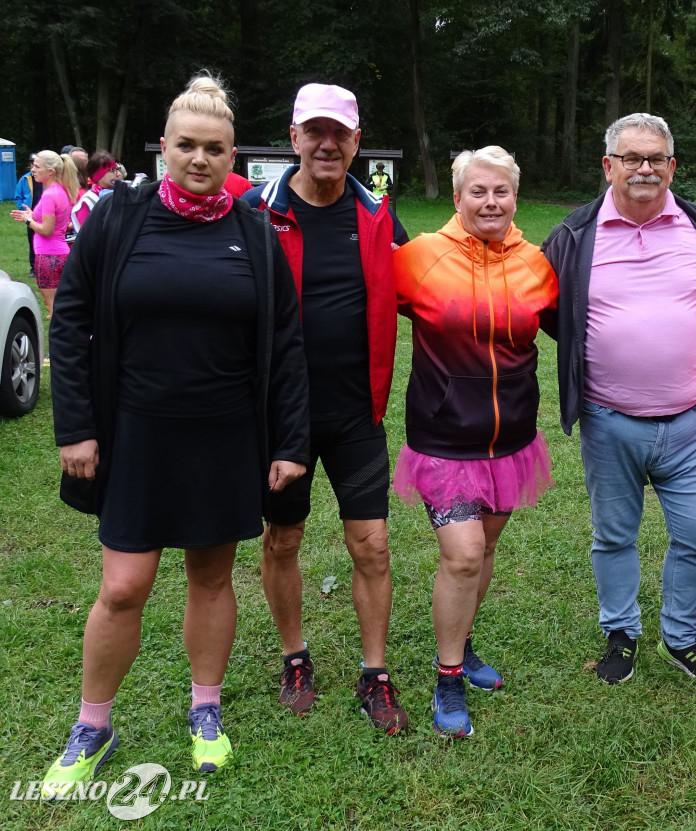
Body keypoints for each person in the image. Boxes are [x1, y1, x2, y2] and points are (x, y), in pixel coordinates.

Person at [43, 74, 309, 790]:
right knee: (124, 586)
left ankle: (206, 709)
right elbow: (69, 324)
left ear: (233, 157)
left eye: (214, 148)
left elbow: (284, 343)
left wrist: (288, 441)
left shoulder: (255, 230)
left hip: (225, 435)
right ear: (163, 147)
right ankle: (94, 723)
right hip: (135, 433)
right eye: (186, 145)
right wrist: (76, 427)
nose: (199, 159)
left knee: (212, 576)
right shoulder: (118, 217)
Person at [243, 83, 411, 732]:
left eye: (339, 132)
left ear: (356, 142)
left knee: (371, 545)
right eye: (314, 131)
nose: (327, 143)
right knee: (281, 537)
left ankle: (375, 671)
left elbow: (424, 287)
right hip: (279, 417)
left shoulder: (377, 214)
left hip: (354, 414)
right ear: (293, 138)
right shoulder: (254, 213)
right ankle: (294, 655)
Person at [543, 113, 696, 686]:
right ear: (609, 166)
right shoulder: (572, 236)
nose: (644, 168)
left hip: (690, 420)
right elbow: (553, 315)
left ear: (672, 167)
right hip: (609, 419)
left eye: (655, 159)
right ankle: (620, 632)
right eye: (632, 158)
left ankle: (681, 636)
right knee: (615, 535)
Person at [392, 146, 557, 737]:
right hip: (442, 437)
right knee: (461, 555)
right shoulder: (417, 259)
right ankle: (448, 676)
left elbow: (578, 327)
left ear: (515, 196)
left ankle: (462, 643)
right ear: (457, 197)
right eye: (478, 192)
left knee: (483, 552)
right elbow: (365, 316)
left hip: (511, 438)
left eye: (502, 192)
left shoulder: (537, 262)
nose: (491, 202)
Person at [9, 150, 78, 319]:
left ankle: (61, 341)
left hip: (48, 256)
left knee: (53, 307)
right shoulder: (60, 190)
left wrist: (28, 220)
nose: (33, 169)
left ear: (51, 171)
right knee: (63, 304)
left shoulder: (49, 195)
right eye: (33, 165)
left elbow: (47, 230)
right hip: (61, 253)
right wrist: (33, 215)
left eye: (37, 166)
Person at [69, 150, 119, 238]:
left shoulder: (120, 194)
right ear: (99, 176)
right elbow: (87, 238)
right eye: (112, 171)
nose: (118, 174)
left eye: (117, 169)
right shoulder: (87, 202)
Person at [13, 154, 42, 275]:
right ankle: (33, 267)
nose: (33, 166)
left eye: (36, 163)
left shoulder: (45, 179)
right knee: (32, 240)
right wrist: (23, 210)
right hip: (30, 214)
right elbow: (18, 196)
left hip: (43, 213)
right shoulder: (25, 179)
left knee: (43, 238)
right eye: (32, 163)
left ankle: (43, 265)